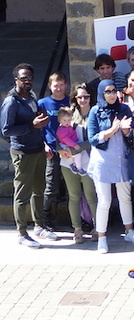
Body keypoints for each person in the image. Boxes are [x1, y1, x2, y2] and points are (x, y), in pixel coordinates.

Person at [2, 64, 54, 248]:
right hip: (23, 152)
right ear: (16, 79)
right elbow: (6, 130)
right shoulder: (11, 102)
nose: (27, 81)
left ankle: (39, 226)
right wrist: (31, 126)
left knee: (39, 190)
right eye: (23, 78)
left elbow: (35, 120)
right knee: (22, 194)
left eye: (30, 78)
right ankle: (22, 233)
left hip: (38, 148)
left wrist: (40, 123)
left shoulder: (31, 96)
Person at [87, 80, 134, 253]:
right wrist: (112, 130)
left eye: (114, 91)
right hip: (103, 161)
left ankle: (129, 231)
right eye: (108, 91)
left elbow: (131, 134)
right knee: (104, 201)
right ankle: (102, 238)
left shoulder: (124, 109)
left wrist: (126, 130)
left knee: (125, 197)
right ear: (101, 93)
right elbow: (92, 138)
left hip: (121, 159)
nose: (112, 94)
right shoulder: (95, 111)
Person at [60, 89, 97, 245]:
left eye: (86, 96)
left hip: (88, 161)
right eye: (80, 96)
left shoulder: (96, 112)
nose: (83, 99)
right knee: (74, 196)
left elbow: (96, 139)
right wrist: (59, 149)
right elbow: (57, 134)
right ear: (75, 98)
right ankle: (77, 229)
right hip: (68, 162)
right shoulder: (68, 113)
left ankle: (97, 228)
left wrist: (76, 148)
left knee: (91, 196)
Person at [37, 71, 71, 239]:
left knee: (72, 186)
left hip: (69, 149)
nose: (58, 88)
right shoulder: (42, 103)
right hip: (52, 149)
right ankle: (46, 219)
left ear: (66, 85)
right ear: (50, 86)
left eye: (61, 85)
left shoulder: (70, 101)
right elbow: (38, 127)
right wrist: (43, 144)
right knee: (52, 186)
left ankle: (77, 219)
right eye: (55, 85)